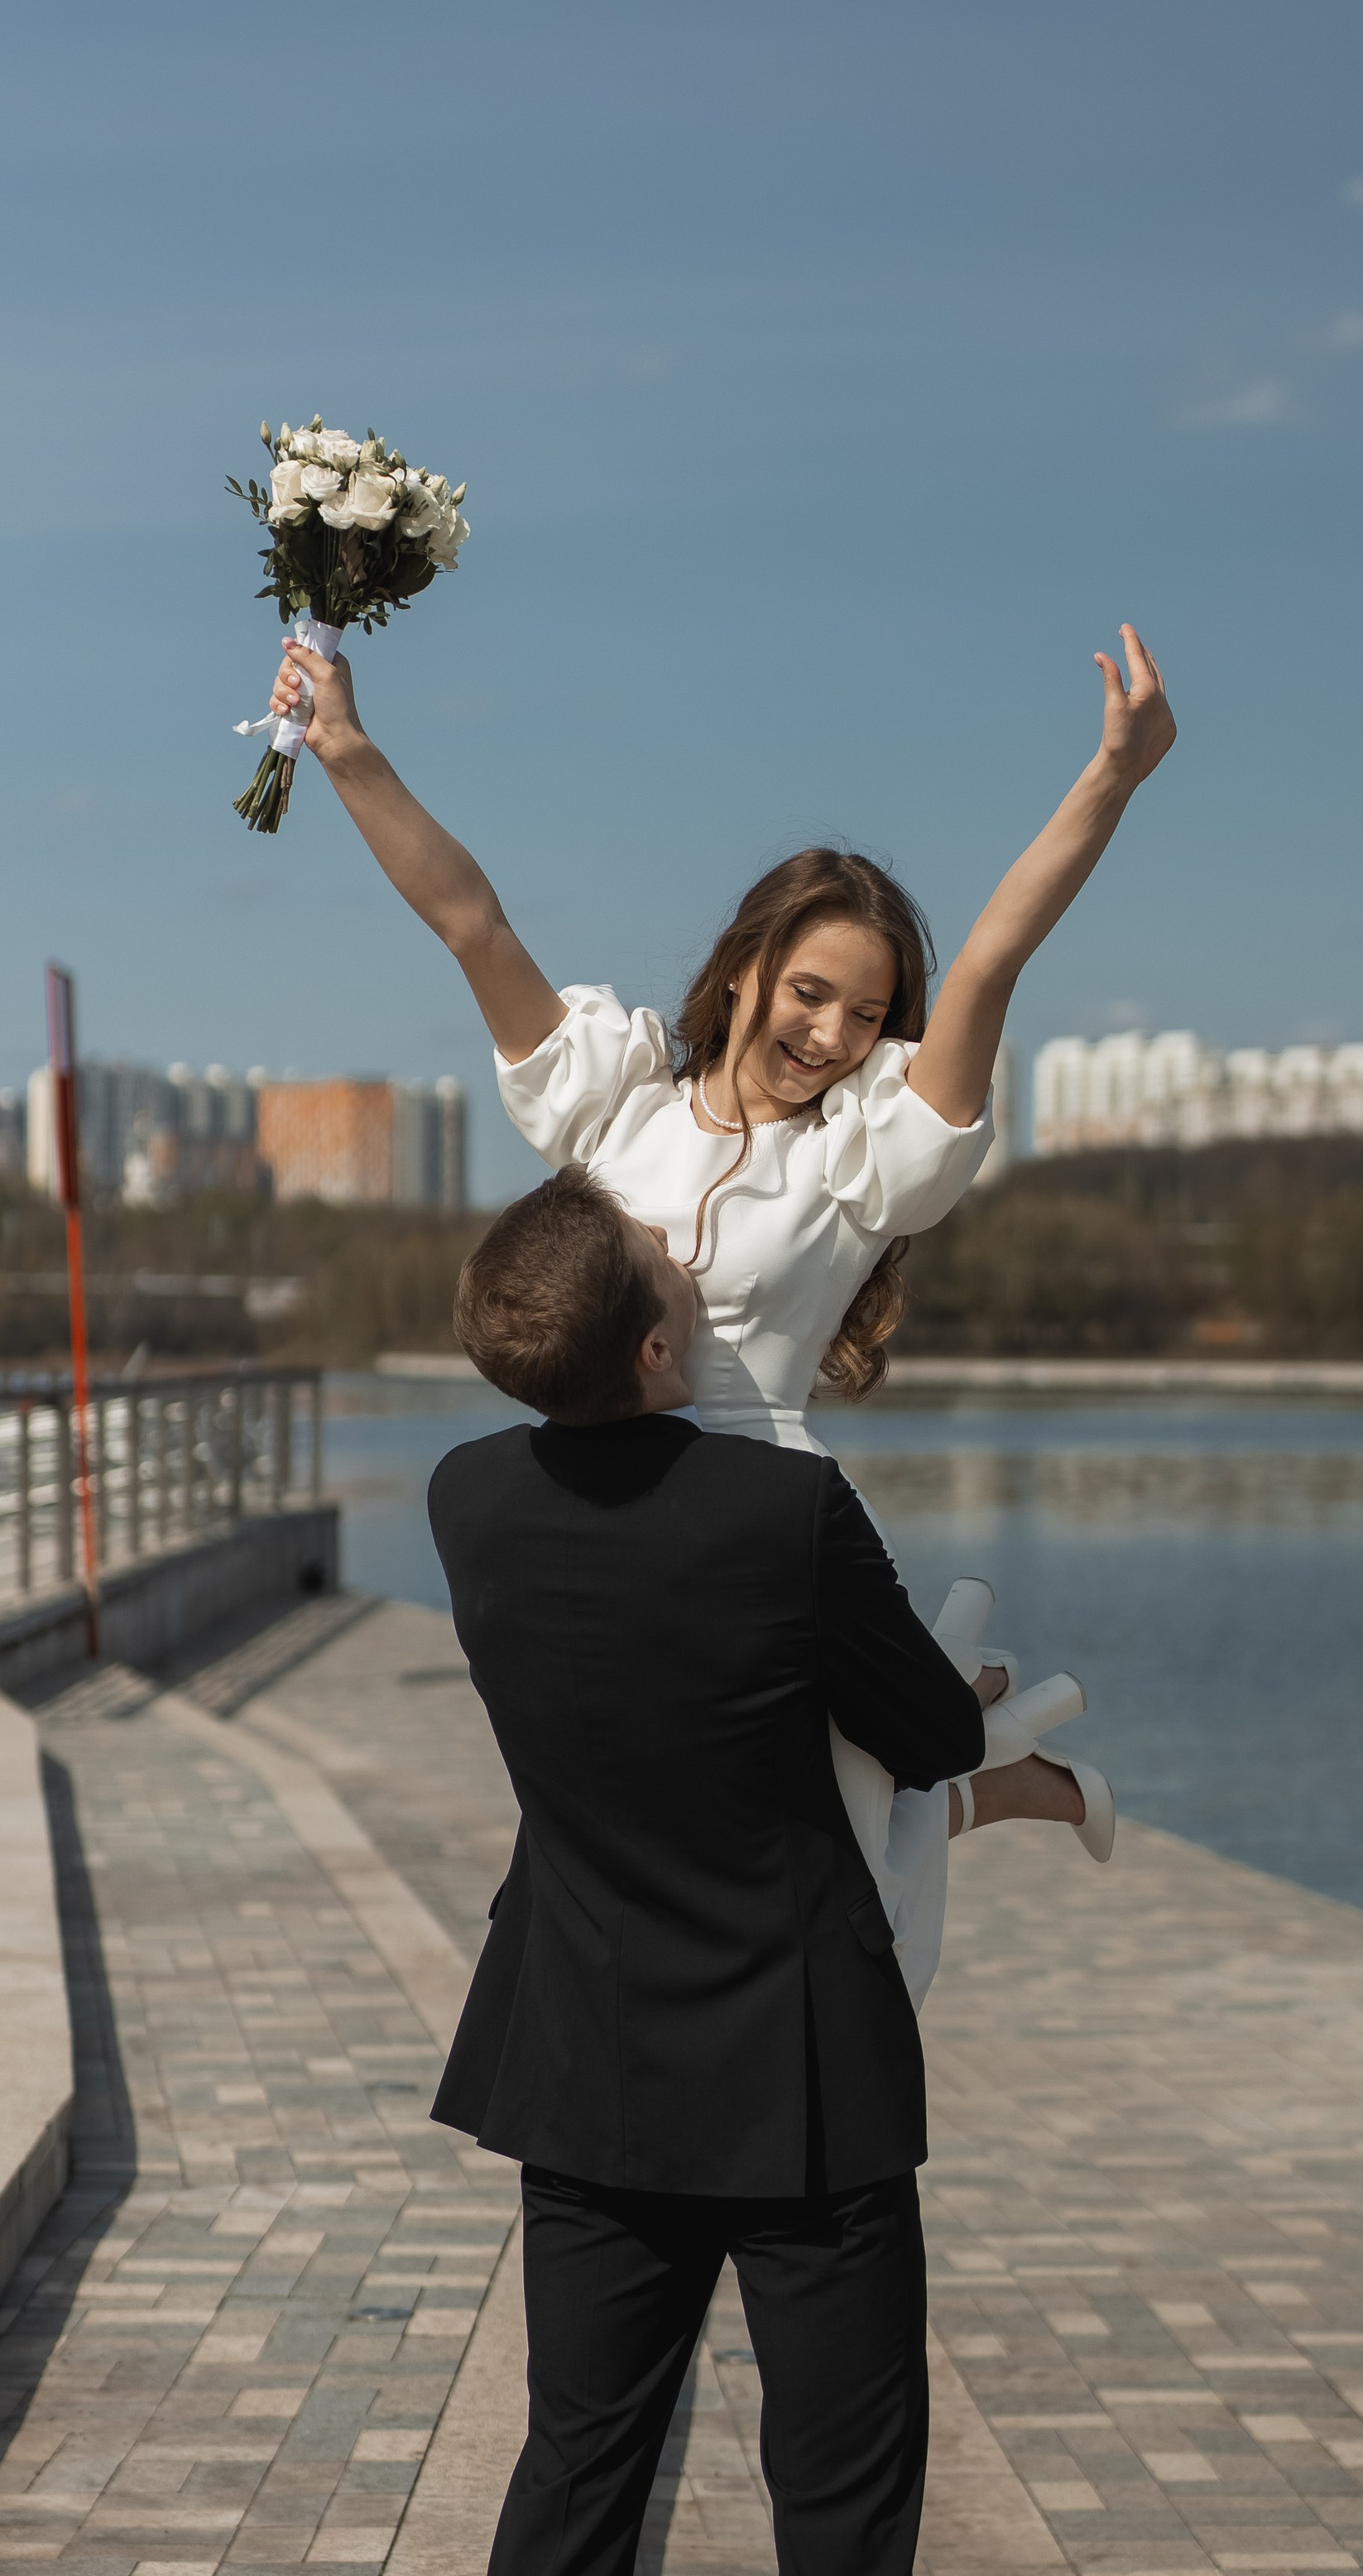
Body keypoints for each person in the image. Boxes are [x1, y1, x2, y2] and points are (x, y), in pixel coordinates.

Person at [271, 617, 1175, 1993]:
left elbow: (991, 962)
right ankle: (987, 1751)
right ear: (747, 963)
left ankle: (994, 1767)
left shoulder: (861, 1156)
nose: (832, 1035)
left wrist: (1111, 775)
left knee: (819, 1872)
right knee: (661, 1832)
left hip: (764, 1524)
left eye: (867, 1014)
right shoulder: (618, 1098)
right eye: (811, 993)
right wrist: (345, 749)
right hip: (604, 1509)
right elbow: (473, 921)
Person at [429, 1165, 986, 2576]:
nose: (686, 1246)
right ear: (656, 1347)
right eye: (661, 1249)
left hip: (584, 2060)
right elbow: (933, 1735)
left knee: (577, 2473)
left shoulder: (467, 1496)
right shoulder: (785, 1507)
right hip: (804, 2080)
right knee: (844, 2501)